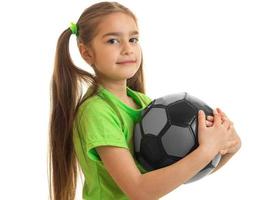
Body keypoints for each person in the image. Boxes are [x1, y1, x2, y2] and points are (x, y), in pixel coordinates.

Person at [48, 1, 241, 200]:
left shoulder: (143, 102)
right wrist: (207, 149)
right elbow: (140, 190)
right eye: (113, 41)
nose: (127, 49)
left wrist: (226, 147)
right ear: (86, 52)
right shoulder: (97, 112)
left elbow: (175, 175)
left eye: (133, 39)